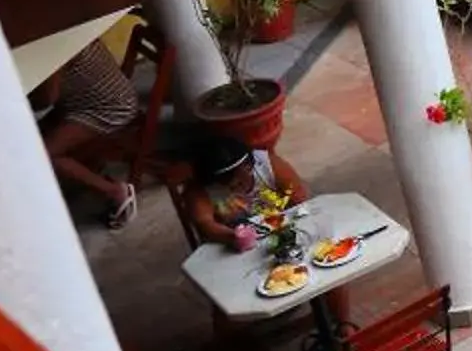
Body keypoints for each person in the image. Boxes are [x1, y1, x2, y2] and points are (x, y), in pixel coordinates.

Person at [30, 38, 142, 228]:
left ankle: (114, 192)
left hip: (109, 108)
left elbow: (46, 99)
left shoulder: (55, 45)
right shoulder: (64, 28)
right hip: (93, 100)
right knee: (33, 137)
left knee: (43, 154)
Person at [167, 132, 301, 251]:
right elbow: (205, 224)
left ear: (249, 166)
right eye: (226, 184)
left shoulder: (269, 166)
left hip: (279, 230)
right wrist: (236, 237)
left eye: (240, 182)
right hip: (233, 243)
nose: (236, 187)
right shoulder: (199, 191)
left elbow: (299, 200)